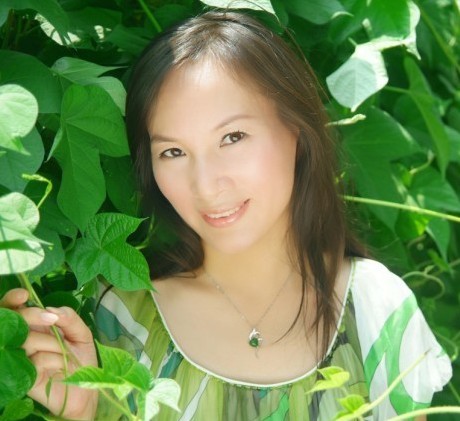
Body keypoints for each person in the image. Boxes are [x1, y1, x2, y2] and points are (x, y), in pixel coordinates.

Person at [0, 11, 452, 421]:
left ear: (295, 131)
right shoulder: (122, 317)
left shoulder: (375, 310)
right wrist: (86, 412)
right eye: (173, 152)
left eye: (232, 137)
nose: (206, 184)